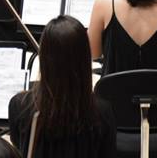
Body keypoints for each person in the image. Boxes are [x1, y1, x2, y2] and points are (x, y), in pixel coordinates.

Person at [8, 16, 116, 157]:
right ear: (84, 58)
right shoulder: (103, 112)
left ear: (44, 58)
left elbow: (19, 146)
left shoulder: (19, 106)